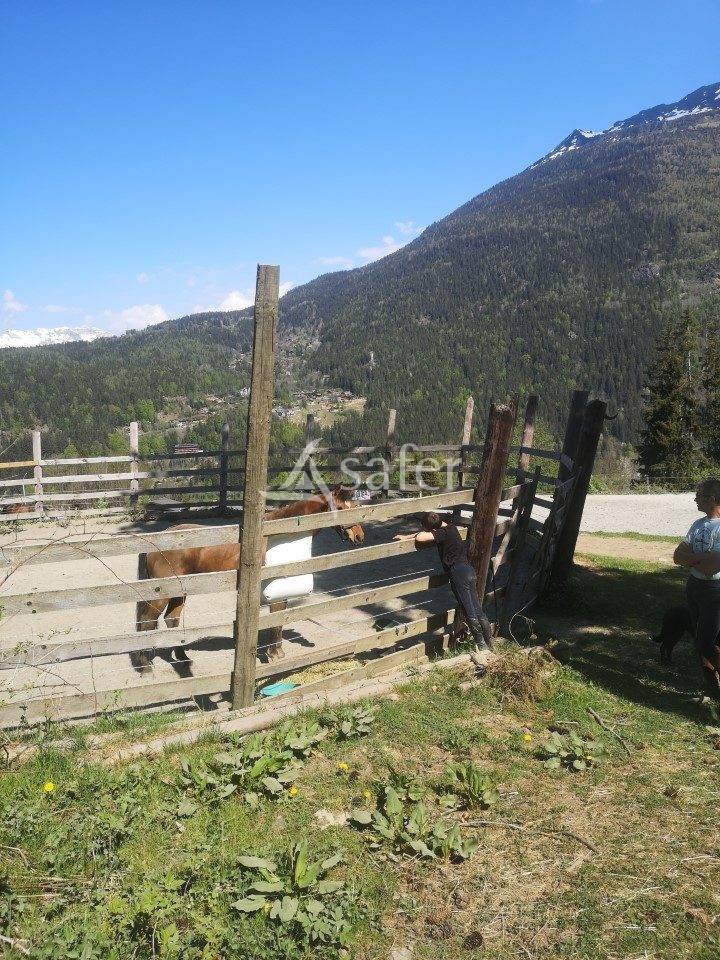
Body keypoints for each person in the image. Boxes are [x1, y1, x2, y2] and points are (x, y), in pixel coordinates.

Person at [393, 511, 494, 652]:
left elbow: (421, 537)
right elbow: (427, 533)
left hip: (458, 573)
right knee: (478, 610)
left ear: (432, 529)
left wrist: (420, 533)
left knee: (469, 612)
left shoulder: (442, 533)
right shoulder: (451, 528)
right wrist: (407, 536)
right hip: (469, 571)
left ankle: (481, 645)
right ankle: (490, 644)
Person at [672, 478, 720, 702]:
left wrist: (690, 559)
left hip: (715, 590)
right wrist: (702, 558)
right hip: (694, 587)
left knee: (706, 642)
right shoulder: (698, 524)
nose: (695, 500)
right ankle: (712, 690)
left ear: (712, 499)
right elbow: (677, 556)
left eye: (699, 496)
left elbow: (712, 568)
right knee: (701, 642)